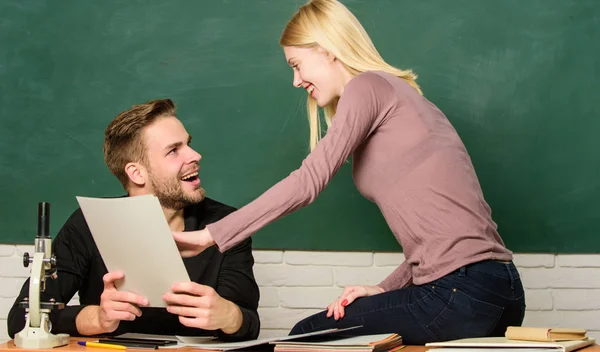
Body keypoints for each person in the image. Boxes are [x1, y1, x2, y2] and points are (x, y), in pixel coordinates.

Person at [172, 0, 525, 344]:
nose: (296, 81)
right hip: (499, 289)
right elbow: (443, 235)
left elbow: (309, 181)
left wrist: (213, 235)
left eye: (297, 64)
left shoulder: (368, 86)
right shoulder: (401, 98)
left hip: (462, 292)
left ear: (326, 49)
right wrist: (383, 289)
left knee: (304, 336)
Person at [7, 99, 260, 341]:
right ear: (137, 173)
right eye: (174, 150)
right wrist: (98, 318)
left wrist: (229, 316)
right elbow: (21, 318)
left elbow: (248, 324)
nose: (195, 155)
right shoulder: (89, 224)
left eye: (188, 144)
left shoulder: (227, 224)